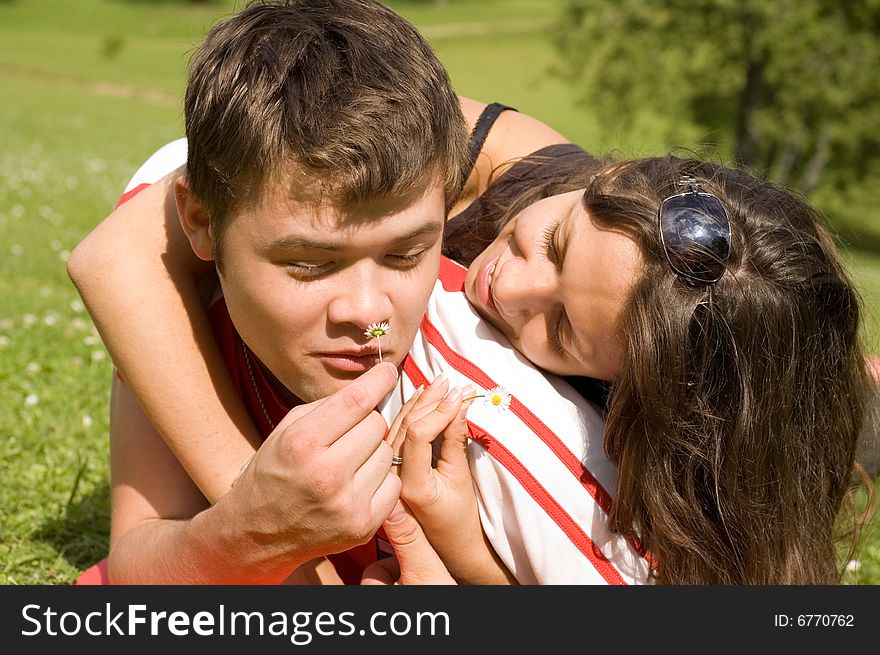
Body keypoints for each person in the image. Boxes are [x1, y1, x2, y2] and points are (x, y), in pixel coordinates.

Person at [70, 3, 872, 584]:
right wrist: (255, 525)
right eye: (548, 242)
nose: (507, 284)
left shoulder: (647, 396)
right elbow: (121, 253)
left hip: (781, 405)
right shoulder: (529, 176)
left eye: (559, 327)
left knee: (844, 402)